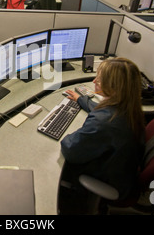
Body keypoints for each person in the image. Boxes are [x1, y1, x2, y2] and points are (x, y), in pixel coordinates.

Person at [58, 57, 145, 214]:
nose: (94, 81)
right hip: (122, 171)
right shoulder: (129, 106)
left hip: (105, 178)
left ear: (113, 87)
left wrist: (66, 133)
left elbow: (70, 150)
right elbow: (104, 111)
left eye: (100, 79)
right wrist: (81, 100)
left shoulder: (103, 123)